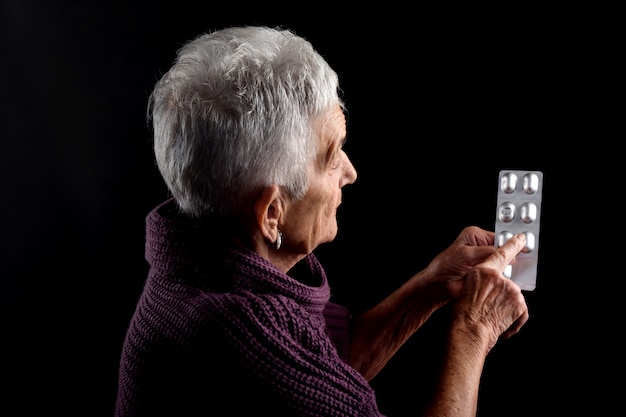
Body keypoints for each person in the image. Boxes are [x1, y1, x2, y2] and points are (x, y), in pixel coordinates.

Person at [114, 25, 530, 417]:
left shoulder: (202, 255)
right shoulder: (237, 332)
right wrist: (475, 328)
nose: (351, 173)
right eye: (332, 158)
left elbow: (326, 365)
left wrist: (433, 284)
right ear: (272, 214)